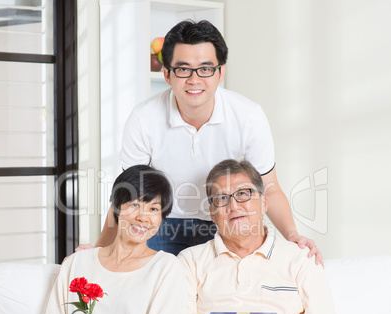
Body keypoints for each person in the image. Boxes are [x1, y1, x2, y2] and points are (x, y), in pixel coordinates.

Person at [84, 19, 322, 264]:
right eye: (183, 69)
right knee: (151, 286)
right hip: (164, 223)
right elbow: (128, 193)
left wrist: (293, 236)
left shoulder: (249, 116)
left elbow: (269, 185)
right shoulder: (143, 118)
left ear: (221, 73)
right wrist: (100, 250)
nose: (194, 79)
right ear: (167, 74)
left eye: (206, 69)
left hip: (223, 220)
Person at [171, 159, 342, 314]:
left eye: (243, 194)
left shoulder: (300, 258)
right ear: (211, 211)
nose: (233, 206)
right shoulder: (189, 261)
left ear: (264, 202)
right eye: (221, 198)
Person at [39, 165, 186, 314]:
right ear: (116, 207)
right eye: (135, 205)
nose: (143, 217)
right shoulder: (77, 263)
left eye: (154, 208)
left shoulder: (167, 266)